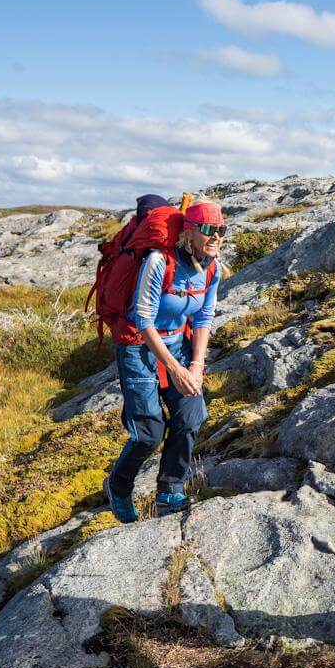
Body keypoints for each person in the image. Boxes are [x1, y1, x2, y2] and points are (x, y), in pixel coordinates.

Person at [103, 198, 226, 523]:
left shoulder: (212, 268)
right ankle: (118, 485)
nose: (216, 237)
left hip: (177, 341)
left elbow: (203, 318)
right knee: (148, 432)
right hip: (138, 344)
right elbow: (143, 319)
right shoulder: (159, 261)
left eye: (221, 230)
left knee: (191, 414)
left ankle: (170, 491)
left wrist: (196, 367)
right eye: (209, 230)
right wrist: (174, 369)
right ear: (190, 232)